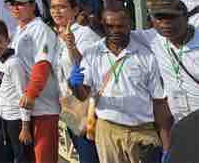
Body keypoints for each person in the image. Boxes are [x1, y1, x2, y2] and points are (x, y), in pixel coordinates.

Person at [70, 9, 173, 163]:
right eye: (110, 26)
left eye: (121, 26)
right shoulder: (92, 53)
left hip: (142, 131)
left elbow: (159, 103)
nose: (115, 31)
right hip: (107, 131)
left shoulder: (146, 55)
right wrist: (74, 85)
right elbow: (83, 95)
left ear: (130, 25)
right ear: (103, 26)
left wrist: (166, 146)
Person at [5, 0, 61, 163]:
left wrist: (31, 93)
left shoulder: (40, 29)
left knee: (43, 158)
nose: (15, 8)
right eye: (12, 4)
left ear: (32, 6)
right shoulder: (19, 30)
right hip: (25, 111)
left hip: (43, 106)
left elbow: (42, 64)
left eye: (20, 4)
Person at [49, 0, 101, 163]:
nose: (57, 12)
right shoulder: (56, 35)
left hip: (87, 105)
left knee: (90, 155)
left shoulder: (85, 34)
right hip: (68, 106)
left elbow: (87, 65)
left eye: (62, 7)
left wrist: (72, 46)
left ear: (75, 9)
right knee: (81, 150)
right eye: (53, 7)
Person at [130, 4, 199, 123]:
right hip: (180, 122)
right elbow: (119, 32)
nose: (165, 23)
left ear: (186, 18)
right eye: (159, 18)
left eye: (172, 17)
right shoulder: (153, 38)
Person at [0, 19, 33, 163]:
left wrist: (25, 126)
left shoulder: (14, 64)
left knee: (21, 157)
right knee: (2, 155)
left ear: (7, 40)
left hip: (16, 119)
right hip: (4, 117)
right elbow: (3, 83)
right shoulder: (1, 60)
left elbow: (23, 94)